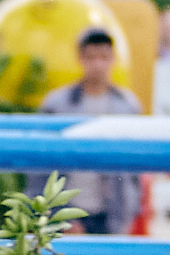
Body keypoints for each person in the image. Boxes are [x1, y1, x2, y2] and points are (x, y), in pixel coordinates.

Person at [27, 27, 142, 234]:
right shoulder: (57, 105)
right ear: (80, 58)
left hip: (112, 214)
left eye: (103, 57)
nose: (97, 64)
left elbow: (135, 171)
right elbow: (41, 167)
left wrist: (130, 210)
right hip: (68, 213)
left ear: (112, 59)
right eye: (91, 57)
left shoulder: (128, 106)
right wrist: (56, 214)